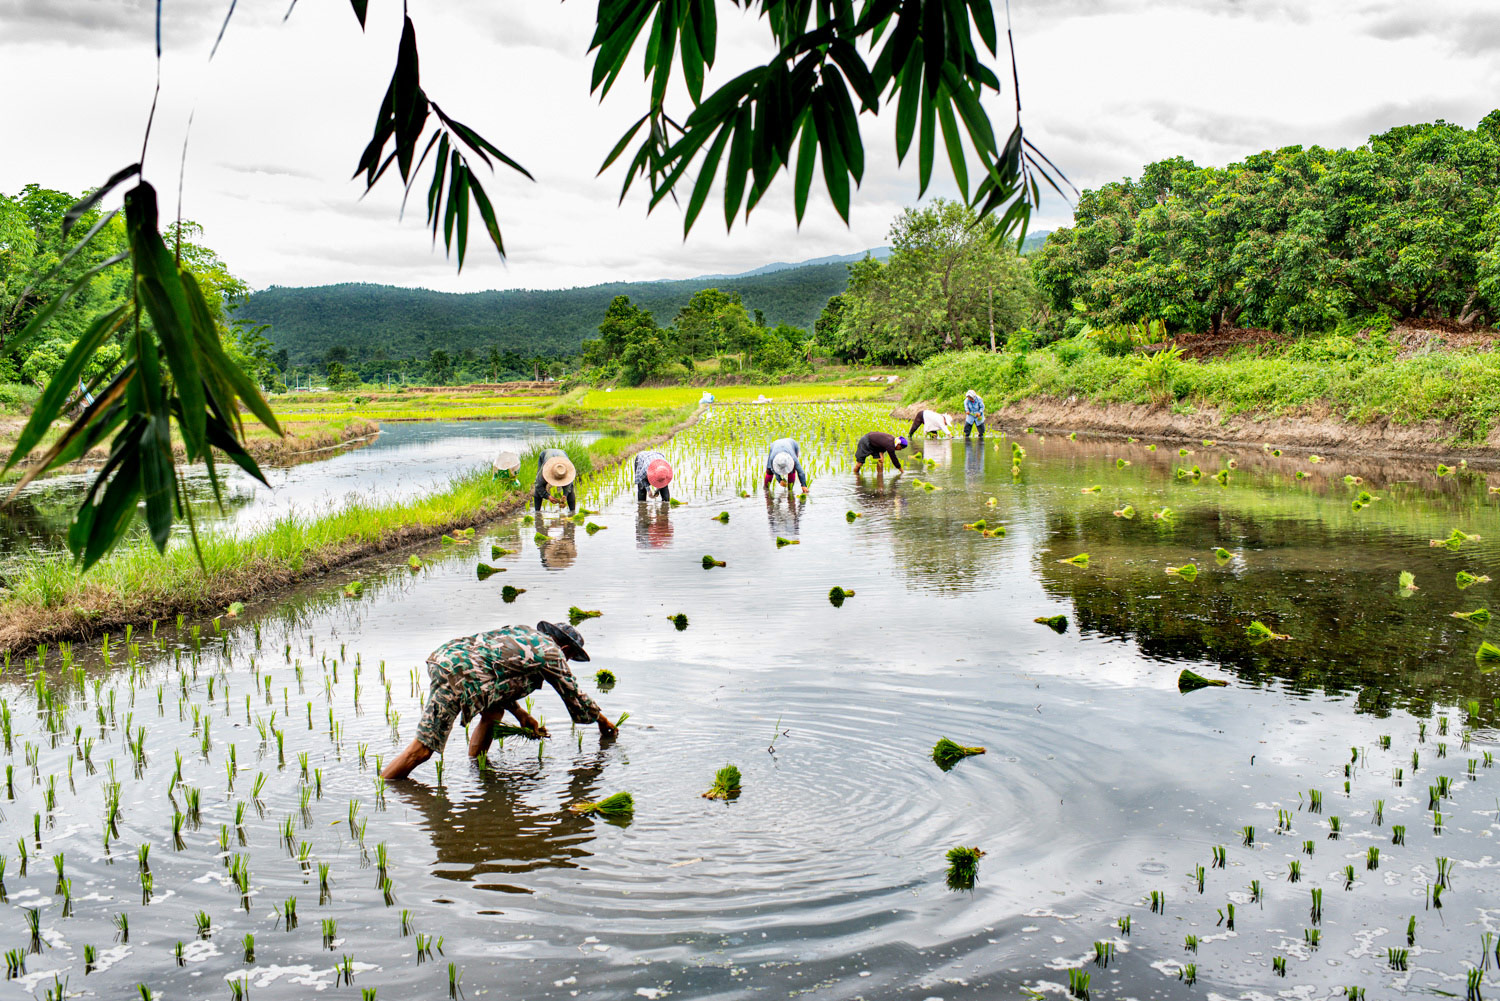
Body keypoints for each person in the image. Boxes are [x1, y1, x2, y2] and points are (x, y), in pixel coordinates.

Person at [382, 621, 618, 780]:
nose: (567, 661)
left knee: (493, 713)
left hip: (446, 658)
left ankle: (477, 769)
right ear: (565, 648)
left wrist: (523, 715)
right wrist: (603, 721)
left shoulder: (523, 633)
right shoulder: (552, 653)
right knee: (421, 750)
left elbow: (496, 676)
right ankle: (382, 788)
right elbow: (575, 697)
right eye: (570, 657)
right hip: (458, 674)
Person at [533, 449, 577, 514]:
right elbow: (538, 485)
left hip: (563, 455)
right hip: (545, 456)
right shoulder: (545, 469)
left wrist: (565, 495)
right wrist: (548, 496)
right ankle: (537, 512)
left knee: (570, 489)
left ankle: (572, 512)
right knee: (538, 487)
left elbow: (568, 486)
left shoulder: (565, 470)